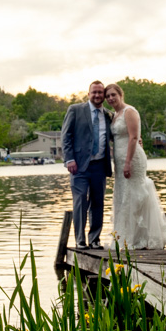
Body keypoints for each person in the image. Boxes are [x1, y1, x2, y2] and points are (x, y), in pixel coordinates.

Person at [104, 83, 166, 250]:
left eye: (113, 95)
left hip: (132, 159)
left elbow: (133, 138)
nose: (110, 98)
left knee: (135, 195)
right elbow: (117, 137)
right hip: (118, 161)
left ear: (120, 94)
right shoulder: (115, 115)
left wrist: (128, 162)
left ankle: (140, 238)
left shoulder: (129, 111)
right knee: (123, 197)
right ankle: (125, 237)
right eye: (108, 96)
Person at [62, 81, 112, 250]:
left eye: (100, 92)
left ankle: (95, 239)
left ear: (103, 95)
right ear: (88, 93)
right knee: (80, 201)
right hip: (79, 166)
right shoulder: (75, 110)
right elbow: (66, 136)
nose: (97, 95)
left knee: (98, 202)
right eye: (94, 92)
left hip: (99, 166)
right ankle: (80, 239)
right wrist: (69, 159)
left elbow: (116, 135)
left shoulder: (108, 115)